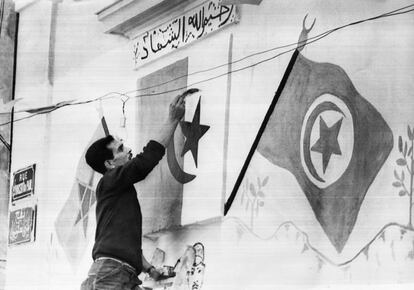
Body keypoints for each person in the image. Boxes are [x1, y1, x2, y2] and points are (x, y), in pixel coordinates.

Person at [81, 89, 197, 289]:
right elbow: (145, 161)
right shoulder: (110, 181)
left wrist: (151, 270)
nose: (128, 150)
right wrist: (172, 120)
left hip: (121, 274)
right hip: (110, 275)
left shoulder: (118, 192)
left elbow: (125, 243)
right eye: (121, 149)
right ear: (109, 163)